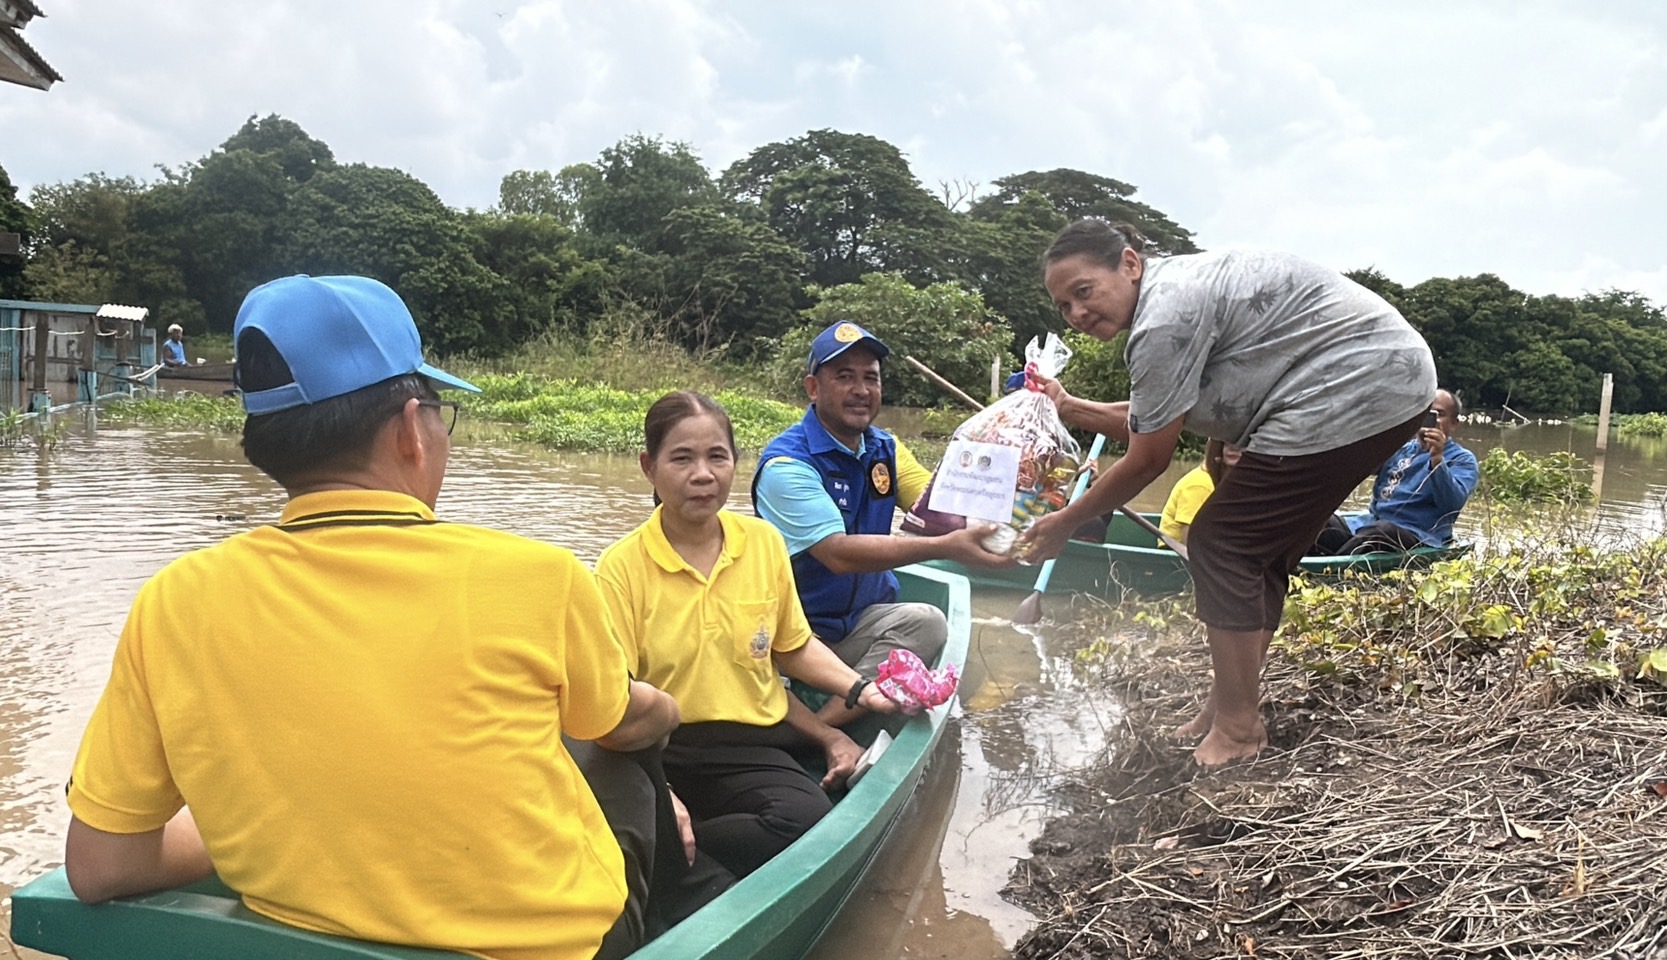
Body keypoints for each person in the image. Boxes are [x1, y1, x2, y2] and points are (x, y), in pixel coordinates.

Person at [63, 274, 679, 960]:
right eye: (441, 416)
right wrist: (663, 709)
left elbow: (99, 865)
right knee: (616, 755)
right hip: (554, 947)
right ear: (412, 430)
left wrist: (254, 826)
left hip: (305, 940)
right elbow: (617, 721)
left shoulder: (173, 600)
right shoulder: (540, 577)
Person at [1016, 219, 1438, 767]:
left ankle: (1239, 730)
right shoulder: (1174, 296)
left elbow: (1148, 459)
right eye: (1063, 306)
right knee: (1257, 555)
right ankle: (1226, 710)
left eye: (1083, 291)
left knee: (1224, 542)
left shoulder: (1162, 321)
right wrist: (1068, 406)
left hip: (1359, 383)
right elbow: (1155, 417)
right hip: (1386, 380)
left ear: (1130, 264)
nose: (1077, 313)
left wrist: (1066, 520)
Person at [598, 391, 900, 879]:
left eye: (717, 457)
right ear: (649, 467)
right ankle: (678, 851)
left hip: (749, 743)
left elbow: (793, 646)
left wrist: (861, 688)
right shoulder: (620, 567)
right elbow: (615, 696)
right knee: (630, 825)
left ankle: (678, 856)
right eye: (682, 458)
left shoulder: (762, 543)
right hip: (661, 749)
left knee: (806, 822)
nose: (703, 474)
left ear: (735, 463)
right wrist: (663, 793)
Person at [753, 322, 1012, 726]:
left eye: (870, 378)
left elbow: (946, 510)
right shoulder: (787, 465)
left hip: (863, 621)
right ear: (813, 388)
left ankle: (823, 725)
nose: (861, 390)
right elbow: (837, 554)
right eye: (844, 377)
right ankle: (821, 732)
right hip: (800, 633)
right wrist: (945, 547)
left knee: (927, 622)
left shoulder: (885, 449)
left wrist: (1032, 486)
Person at [1314, 389, 1478, 554]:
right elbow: (1360, 467)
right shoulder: (1401, 447)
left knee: (1380, 533)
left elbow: (1452, 504)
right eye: (1425, 413)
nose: (1430, 419)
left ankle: (1333, 566)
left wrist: (1436, 459)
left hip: (1417, 533)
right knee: (1316, 521)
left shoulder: (1462, 459)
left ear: (1454, 423)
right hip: (1370, 523)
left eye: (1439, 414)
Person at [1159, 443, 1244, 546]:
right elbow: (1189, 541)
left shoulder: (1227, 482)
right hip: (1176, 550)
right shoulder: (1200, 484)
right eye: (1226, 441)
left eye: (1245, 442)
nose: (1234, 446)